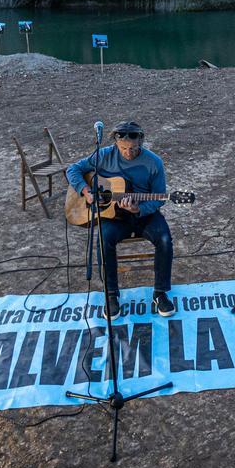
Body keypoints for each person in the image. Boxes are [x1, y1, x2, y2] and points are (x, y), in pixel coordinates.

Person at [66, 120, 176, 319]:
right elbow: (72, 169)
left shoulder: (154, 162)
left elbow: (159, 198)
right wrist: (87, 192)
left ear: (141, 141)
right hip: (113, 217)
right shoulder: (104, 155)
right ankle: (111, 294)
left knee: (165, 239)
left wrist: (138, 209)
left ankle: (160, 293)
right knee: (103, 240)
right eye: (124, 148)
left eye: (133, 148)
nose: (128, 152)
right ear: (116, 143)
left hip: (145, 215)